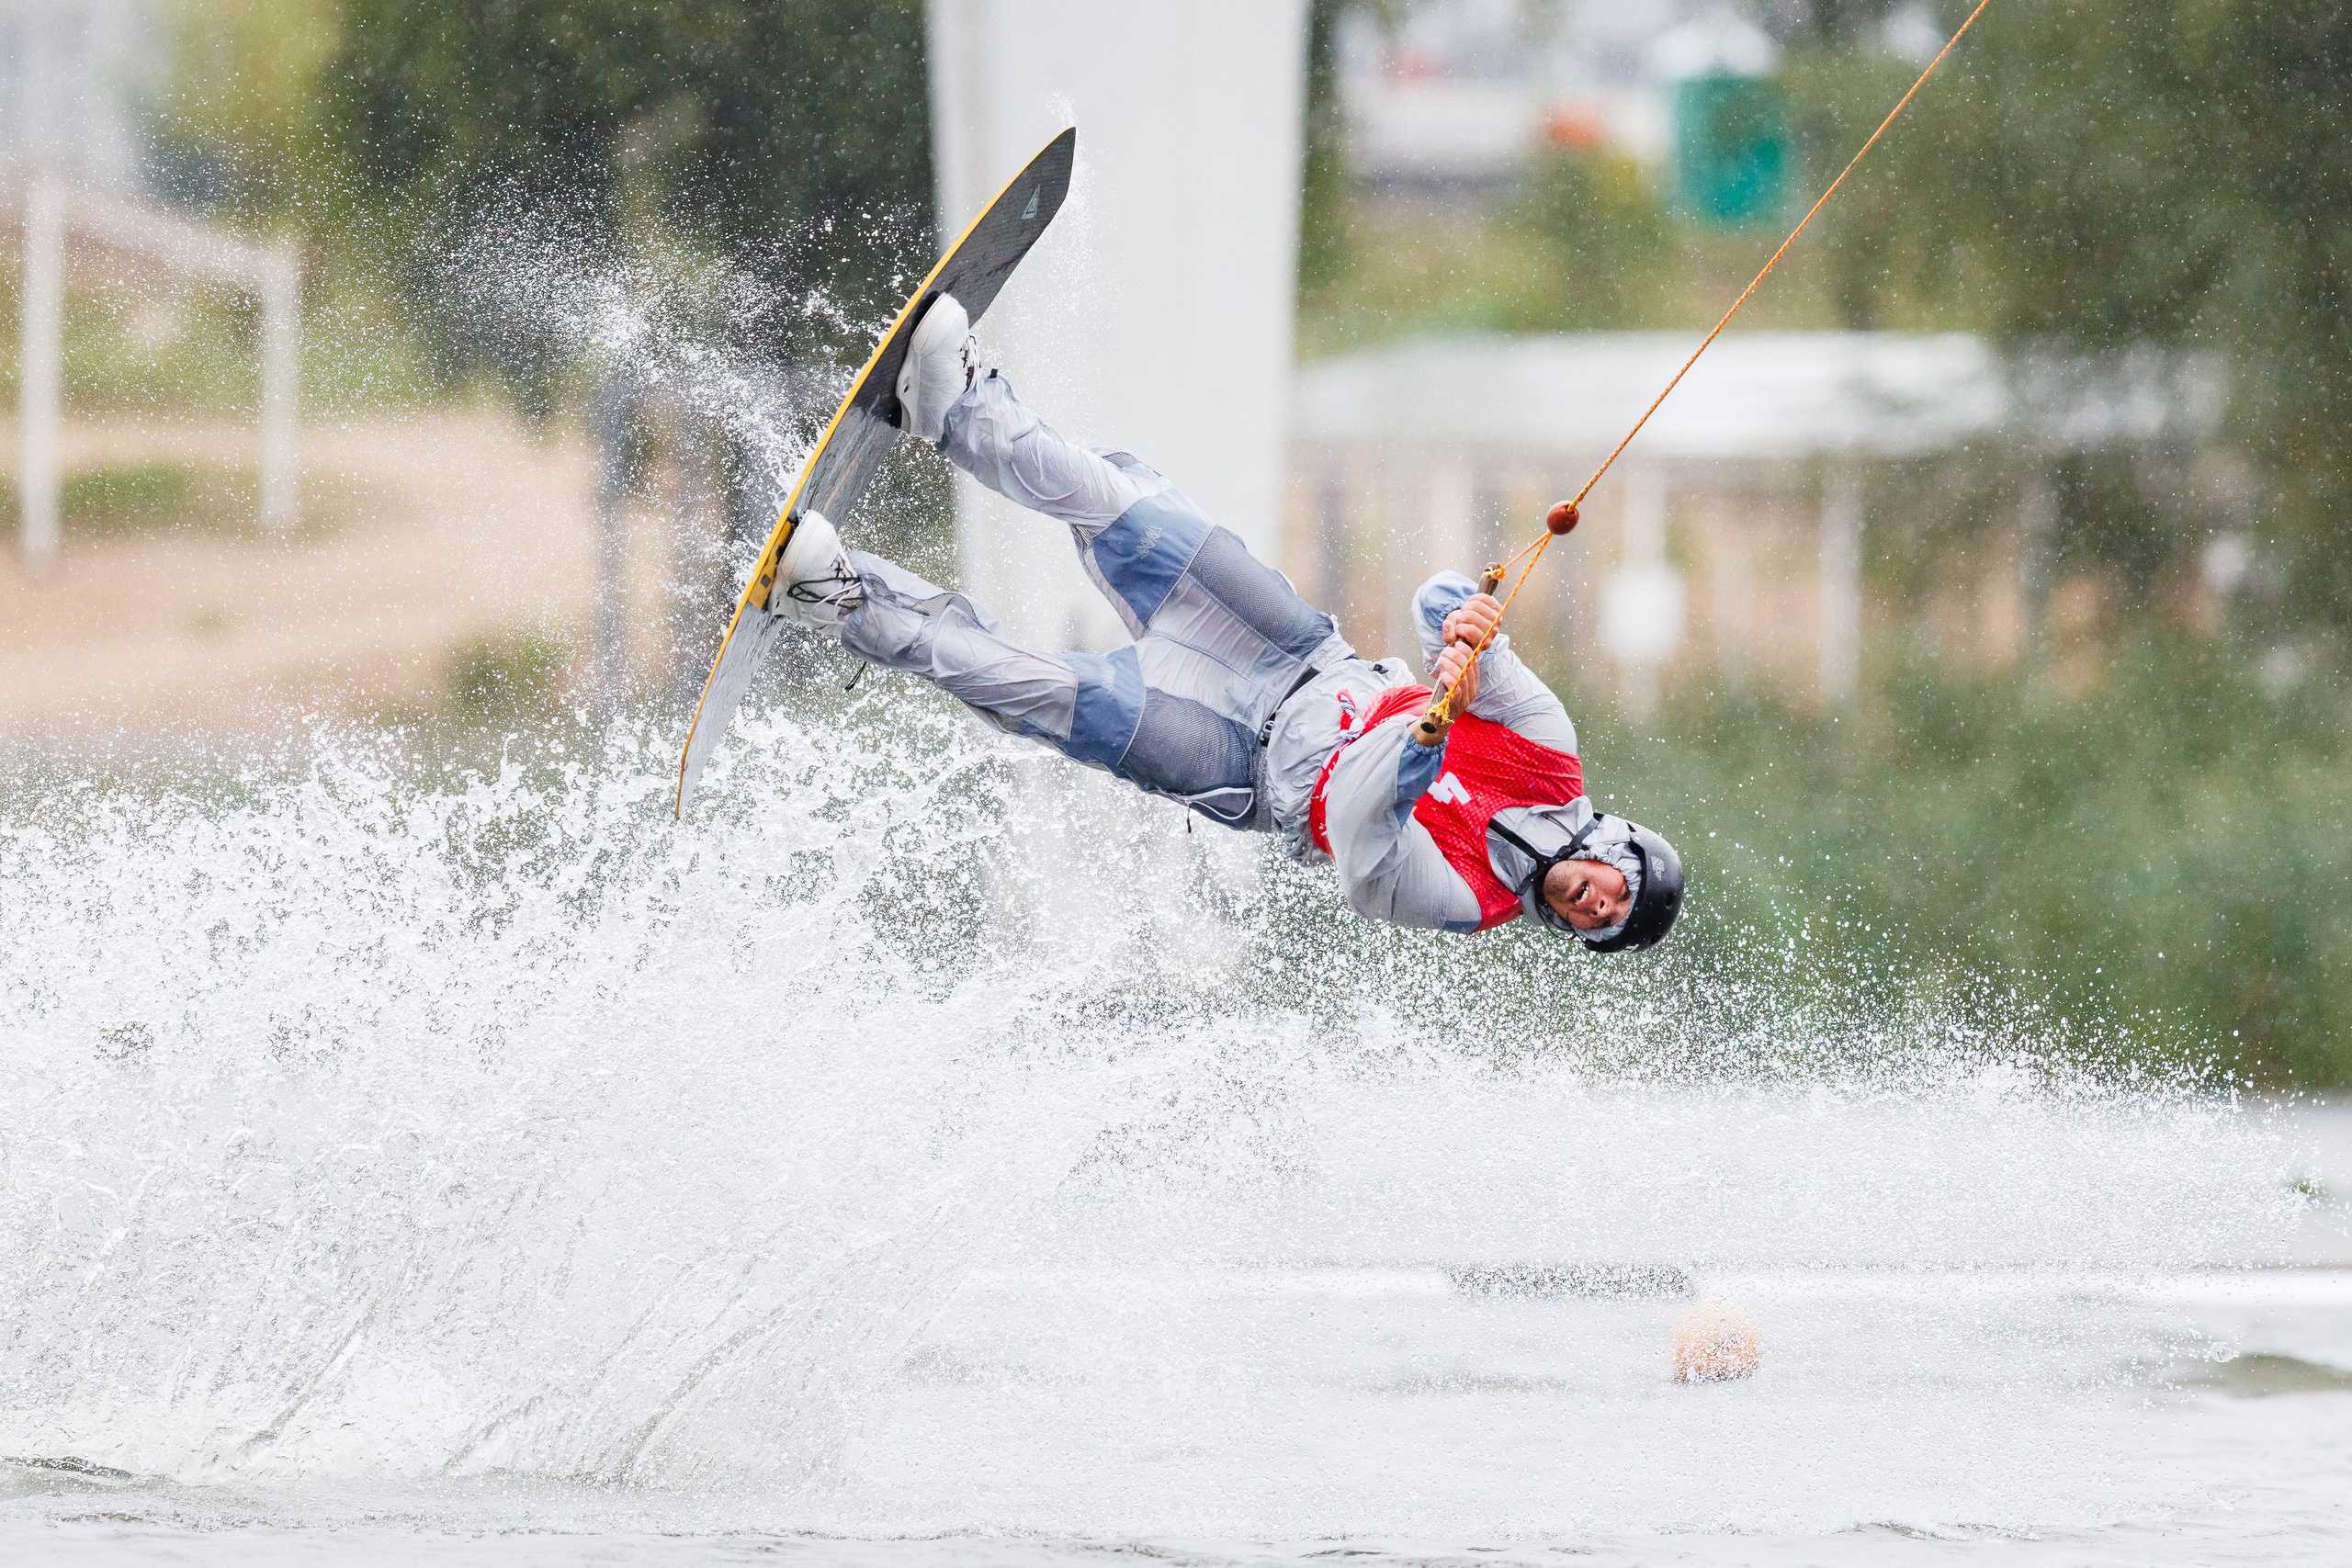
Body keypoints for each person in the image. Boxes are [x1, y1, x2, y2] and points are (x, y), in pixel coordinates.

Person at [770, 297, 1684, 950]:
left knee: (1036, 689)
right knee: (1132, 513)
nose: (1597, 910)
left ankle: (842, 597)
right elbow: (1438, 601)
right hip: (1296, 653)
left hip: (1236, 763)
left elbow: (1365, 825)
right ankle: (959, 413)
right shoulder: (1545, 749)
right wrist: (1467, 627)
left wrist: (1433, 719)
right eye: (1617, 895)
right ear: (1615, 847)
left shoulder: (1464, 902)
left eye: (1598, 927)